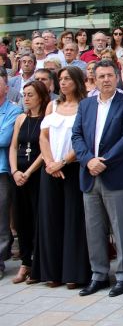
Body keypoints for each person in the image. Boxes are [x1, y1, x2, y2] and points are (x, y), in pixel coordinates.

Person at [71, 60, 123, 297]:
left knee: (120, 229)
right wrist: (88, 160)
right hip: (89, 174)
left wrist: (103, 162)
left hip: (116, 175)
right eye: (101, 76)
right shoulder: (85, 105)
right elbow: (76, 135)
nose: (106, 80)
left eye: (110, 75)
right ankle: (99, 275)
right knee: (94, 229)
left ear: (117, 77)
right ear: (95, 79)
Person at [37, 67, 90, 288]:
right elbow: (43, 136)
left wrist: (63, 162)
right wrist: (50, 163)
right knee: (51, 219)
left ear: (78, 81)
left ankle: (73, 273)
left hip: (73, 168)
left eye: (67, 79)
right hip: (50, 170)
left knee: (73, 220)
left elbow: (84, 140)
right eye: (60, 79)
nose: (63, 82)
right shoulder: (53, 105)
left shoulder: (86, 106)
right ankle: (52, 272)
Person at [8, 81, 48, 283]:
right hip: (19, 176)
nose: (26, 98)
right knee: (21, 218)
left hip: (37, 175)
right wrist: (15, 170)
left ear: (40, 96)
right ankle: (25, 262)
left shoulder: (46, 118)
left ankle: (38, 263)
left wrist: (29, 172)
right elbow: (14, 146)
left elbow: (44, 150)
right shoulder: (20, 118)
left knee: (37, 217)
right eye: (24, 94)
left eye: (30, 94)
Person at [0, 71, 21, 280]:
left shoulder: (13, 111)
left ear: (7, 88)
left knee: (1, 218)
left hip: (2, 170)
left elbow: (5, 138)